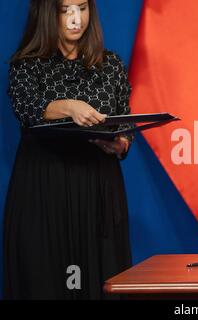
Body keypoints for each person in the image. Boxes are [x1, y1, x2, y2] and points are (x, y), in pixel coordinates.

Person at [4, 0, 133, 299]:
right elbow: (27, 109)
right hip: (45, 185)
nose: (77, 19)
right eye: (66, 10)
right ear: (48, 13)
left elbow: (123, 120)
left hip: (99, 185)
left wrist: (120, 144)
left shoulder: (110, 63)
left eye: (82, 8)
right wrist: (67, 107)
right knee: (48, 279)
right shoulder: (26, 64)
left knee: (100, 280)